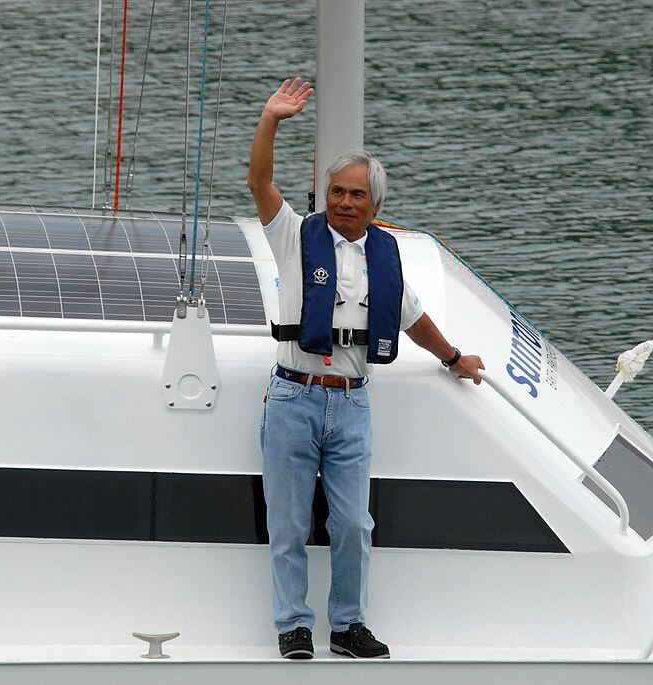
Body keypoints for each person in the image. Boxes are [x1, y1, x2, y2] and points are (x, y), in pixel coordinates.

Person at [247, 76, 485, 660]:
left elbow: (413, 319)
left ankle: (348, 625)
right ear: (323, 194)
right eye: (336, 192)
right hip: (292, 397)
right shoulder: (293, 237)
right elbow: (259, 181)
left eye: (356, 195)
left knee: (354, 525)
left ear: (375, 205)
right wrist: (271, 118)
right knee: (288, 523)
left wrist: (454, 359)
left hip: (351, 404)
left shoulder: (384, 255)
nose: (345, 203)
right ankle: (293, 626)